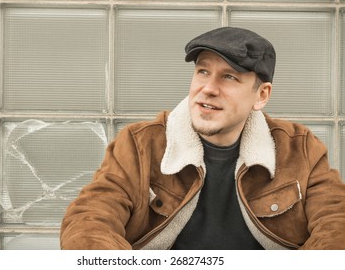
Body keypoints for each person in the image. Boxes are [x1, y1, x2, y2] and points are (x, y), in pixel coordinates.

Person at [60, 27, 345, 250]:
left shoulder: (301, 148)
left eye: (229, 77)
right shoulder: (139, 144)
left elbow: (336, 224)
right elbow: (90, 221)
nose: (208, 88)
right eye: (203, 71)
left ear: (261, 95)